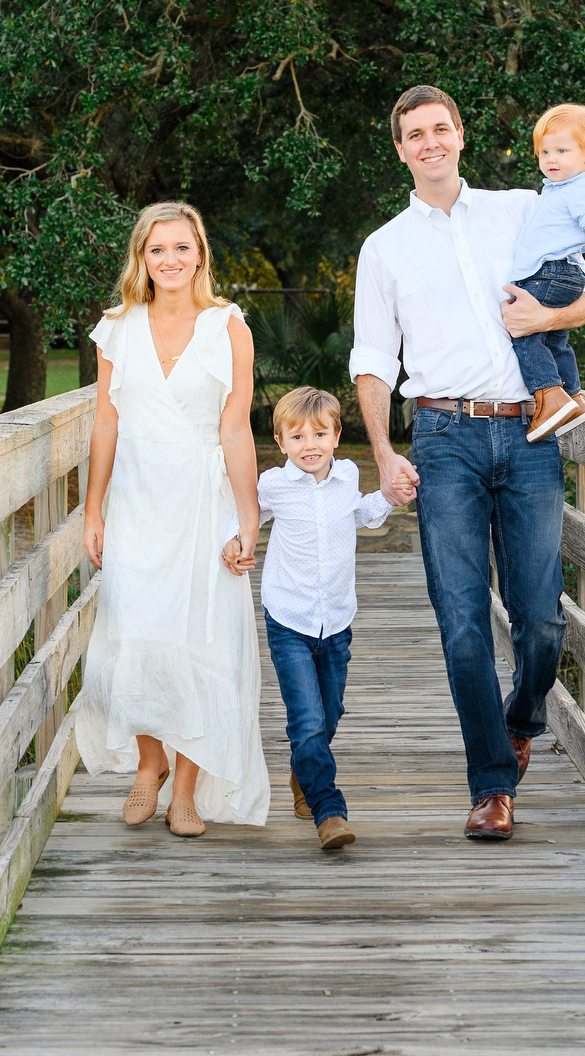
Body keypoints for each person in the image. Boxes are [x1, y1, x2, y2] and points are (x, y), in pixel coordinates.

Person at [350, 84, 585, 842]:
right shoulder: (385, 246)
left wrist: (547, 316)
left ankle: (521, 718)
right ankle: (492, 785)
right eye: (413, 134)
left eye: (440, 128)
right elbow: (372, 360)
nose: (429, 142)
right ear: (400, 149)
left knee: (541, 624)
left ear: (460, 135)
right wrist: (384, 451)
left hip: (529, 434)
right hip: (445, 439)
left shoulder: (523, 209)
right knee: (461, 624)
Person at [76, 200, 269, 836]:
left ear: (200, 254)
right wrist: (92, 508)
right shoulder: (117, 327)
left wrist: (248, 516)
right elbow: (106, 422)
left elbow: (236, 427)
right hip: (135, 499)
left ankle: (185, 788)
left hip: (200, 498)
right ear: (142, 258)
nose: (170, 260)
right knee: (135, 638)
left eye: (182, 248)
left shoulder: (228, 327)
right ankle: (148, 764)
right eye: (157, 250)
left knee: (198, 641)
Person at [223, 385, 392, 851]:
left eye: (319, 434)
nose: (309, 445)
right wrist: (231, 540)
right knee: (307, 721)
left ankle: (304, 773)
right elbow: (244, 514)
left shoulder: (348, 478)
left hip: (336, 619)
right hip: (290, 619)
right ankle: (329, 810)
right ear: (280, 443)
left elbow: (362, 516)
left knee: (330, 713)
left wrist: (391, 496)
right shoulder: (274, 485)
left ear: (337, 435)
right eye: (296, 437)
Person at [508, 103, 585, 443]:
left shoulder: (581, 187)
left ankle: (549, 396)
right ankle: (573, 396)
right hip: (556, 273)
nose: (550, 158)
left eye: (561, 150)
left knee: (523, 331)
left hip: (551, 273)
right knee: (555, 337)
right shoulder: (557, 188)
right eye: (544, 151)